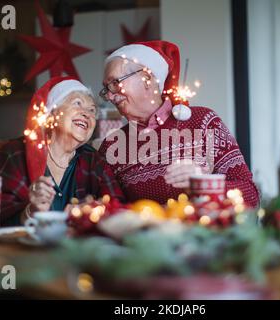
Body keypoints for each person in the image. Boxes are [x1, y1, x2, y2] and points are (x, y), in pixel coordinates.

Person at [98, 41, 260, 207]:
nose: (110, 96)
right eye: (106, 89)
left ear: (146, 78)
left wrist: (204, 185)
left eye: (115, 83)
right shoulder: (111, 146)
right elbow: (110, 209)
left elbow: (250, 194)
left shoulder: (203, 122)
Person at [0, 76, 124, 226]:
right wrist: (31, 211)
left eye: (92, 110)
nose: (87, 114)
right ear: (51, 113)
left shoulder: (94, 160)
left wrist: (92, 211)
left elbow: (117, 209)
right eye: (77, 103)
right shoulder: (15, 154)